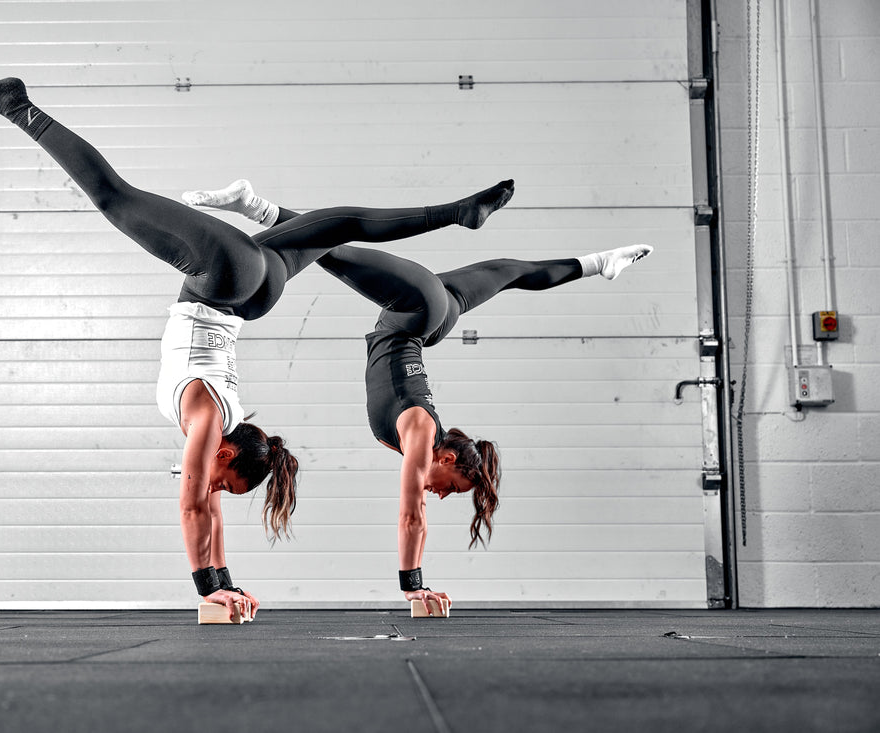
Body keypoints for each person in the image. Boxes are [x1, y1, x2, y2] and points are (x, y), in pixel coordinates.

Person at [0, 77, 516, 619]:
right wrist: (207, 591)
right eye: (225, 477)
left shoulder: (226, 425)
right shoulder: (206, 421)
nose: (216, 487)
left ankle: (428, 212)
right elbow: (196, 505)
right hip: (224, 280)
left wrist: (226, 583)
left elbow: (209, 507)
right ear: (225, 454)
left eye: (225, 484)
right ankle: (17, 105)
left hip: (253, 291)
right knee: (114, 196)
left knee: (338, 227)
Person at [184, 180, 652, 614]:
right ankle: (259, 205)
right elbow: (413, 515)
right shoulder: (419, 433)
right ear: (447, 457)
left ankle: (597, 264)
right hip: (415, 308)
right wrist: (414, 584)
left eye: (449, 494)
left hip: (435, 315)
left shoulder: (421, 434)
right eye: (452, 485)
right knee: (335, 246)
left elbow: (419, 508)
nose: (441, 494)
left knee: (508, 272)